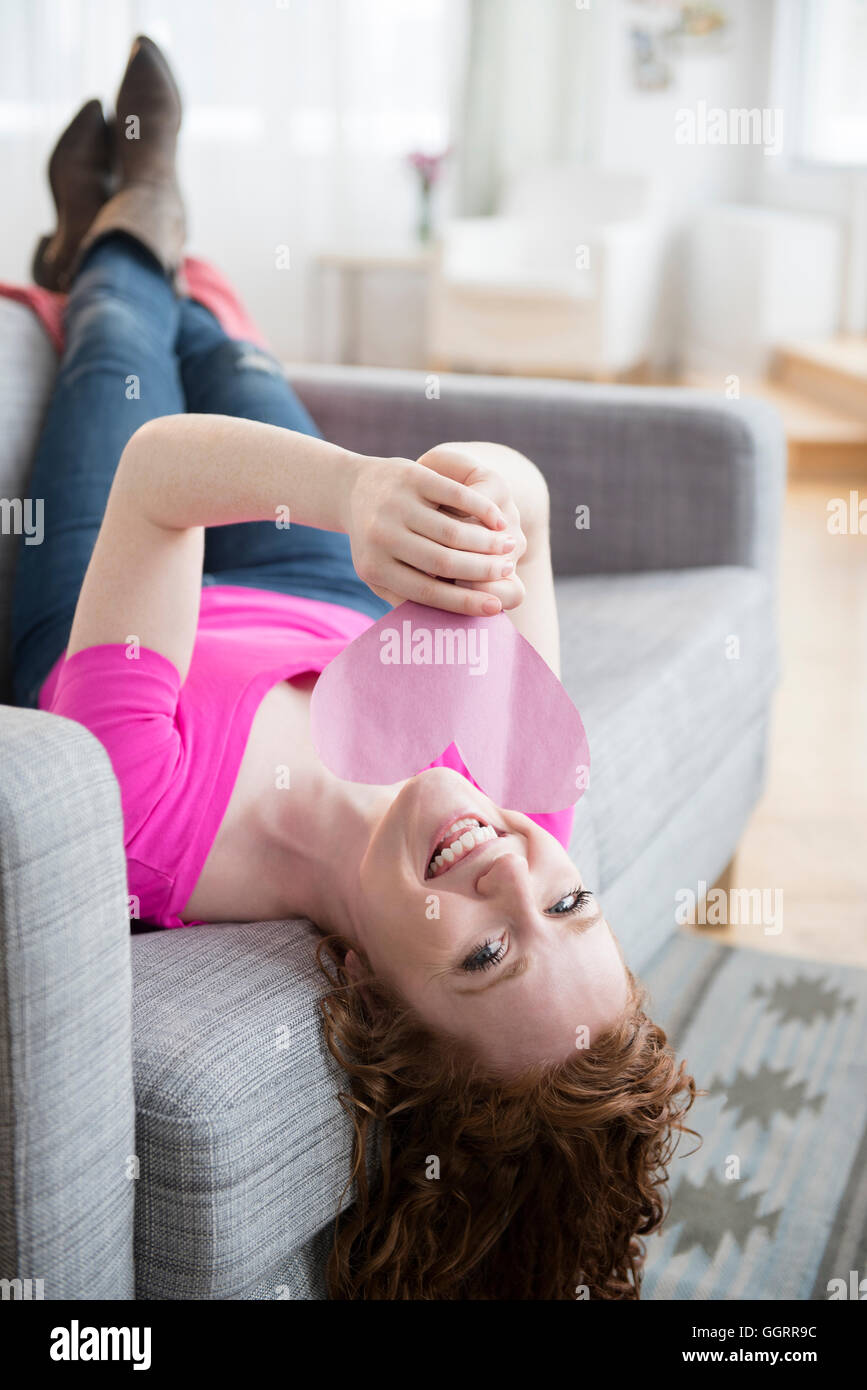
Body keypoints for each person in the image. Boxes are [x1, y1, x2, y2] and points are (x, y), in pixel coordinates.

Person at [12, 37, 698, 1299]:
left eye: (485, 955)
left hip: (112, 592)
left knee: (120, 344)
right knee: (243, 362)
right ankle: (141, 236)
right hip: (315, 589)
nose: (511, 871)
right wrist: (489, 497)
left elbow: (164, 478)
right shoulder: (521, 800)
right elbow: (531, 517)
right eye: (567, 905)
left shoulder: (150, 830)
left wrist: (355, 488)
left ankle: (122, 230)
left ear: (377, 1004)